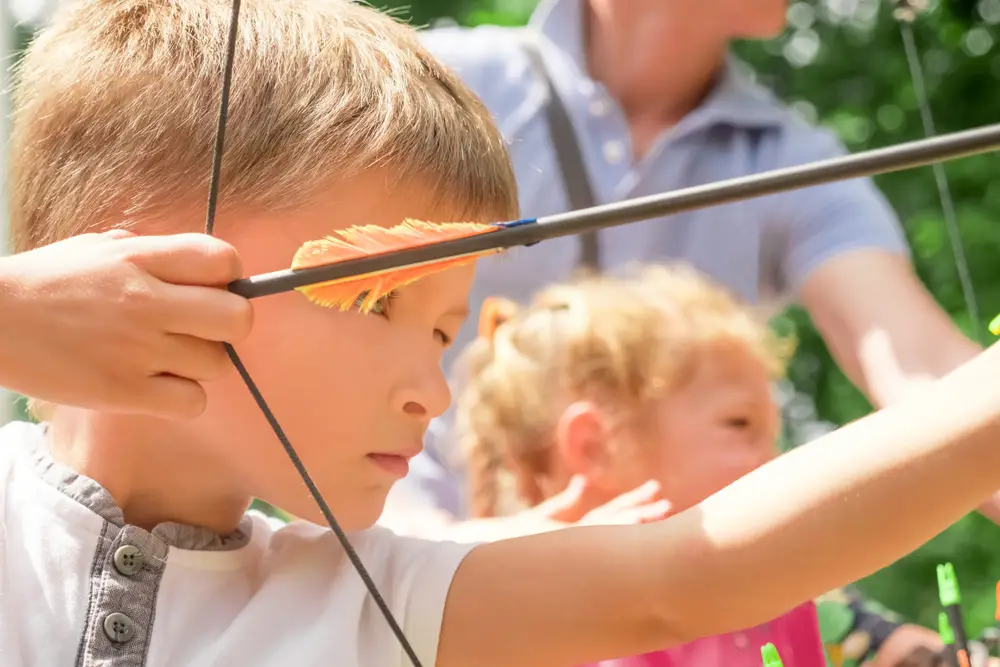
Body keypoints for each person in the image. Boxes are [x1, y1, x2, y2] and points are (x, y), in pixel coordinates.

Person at [6, 2, 1000, 667]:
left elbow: (692, 574)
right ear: (132, 265)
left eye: (444, 331)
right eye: (375, 299)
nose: (435, 393)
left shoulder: (376, 598)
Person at [380, 0, 993, 535]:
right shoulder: (426, 87)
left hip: (659, 605)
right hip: (391, 573)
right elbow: (304, 318)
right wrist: (419, 552)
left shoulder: (788, 158)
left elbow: (921, 369)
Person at [455, 265, 952, 667]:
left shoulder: (775, 592)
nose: (775, 460)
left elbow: (880, 641)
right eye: (740, 425)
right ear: (596, 448)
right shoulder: (540, 634)